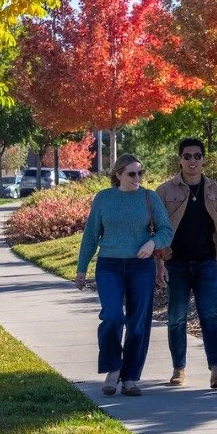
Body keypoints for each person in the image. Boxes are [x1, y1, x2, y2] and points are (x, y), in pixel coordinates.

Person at [75, 153, 172, 397]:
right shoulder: (104, 198)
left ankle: (130, 377)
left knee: (138, 322)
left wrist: (152, 243)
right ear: (118, 174)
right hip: (110, 265)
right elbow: (91, 235)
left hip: (141, 267)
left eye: (140, 173)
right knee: (112, 316)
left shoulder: (149, 197)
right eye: (131, 173)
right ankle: (113, 368)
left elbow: (166, 230)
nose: (137, 177)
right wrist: (81, 268)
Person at [154, 138, 217, 388]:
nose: (192, 161)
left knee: (210, 315)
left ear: (203, 160)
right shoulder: (164, 191)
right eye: (187, 156)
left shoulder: (216, 191)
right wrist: (159, 265)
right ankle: (179, 369)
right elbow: (155, 230)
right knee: (176, 318)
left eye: (197, 156)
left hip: (206, 263)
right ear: (179, 159)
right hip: (175, 263)